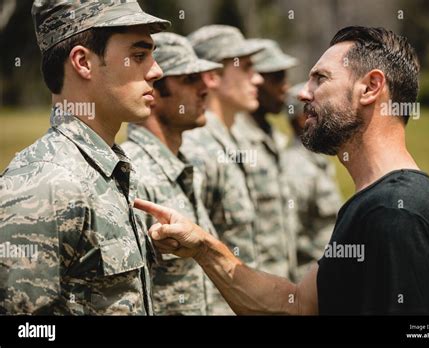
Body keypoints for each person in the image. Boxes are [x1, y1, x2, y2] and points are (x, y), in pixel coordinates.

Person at [135, 26, 429, 315]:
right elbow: (299, 305)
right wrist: (205, 248)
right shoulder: (375, 203)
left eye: (320, 78)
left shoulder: (394, 214)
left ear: (370, 88)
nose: (303, 93)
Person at [0, 0, 169, 315]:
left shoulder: (110, 170)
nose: (156, 70)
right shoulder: (44, 186)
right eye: (139, 55)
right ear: (83, 62)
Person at [121, 32, 226, 315]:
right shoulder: (134, 175)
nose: (205, 89)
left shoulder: (185, 167)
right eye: (189, 79)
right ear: (152, 90)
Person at [181, 26, 264, 269]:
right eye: (246, 67)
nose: (257, 78)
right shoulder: (197, 148)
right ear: (213, 77)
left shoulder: (235, 140)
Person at [231, 39, 299, 279]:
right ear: (253, 79)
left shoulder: (276, 139)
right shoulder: (233, 142)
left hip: (282, 283)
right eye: (277, 78)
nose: (286, 87)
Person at [282, 82, 343, 281]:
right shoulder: (295, 168)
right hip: (310, 280)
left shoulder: (317, 160)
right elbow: (288, 237)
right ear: (301, 118)